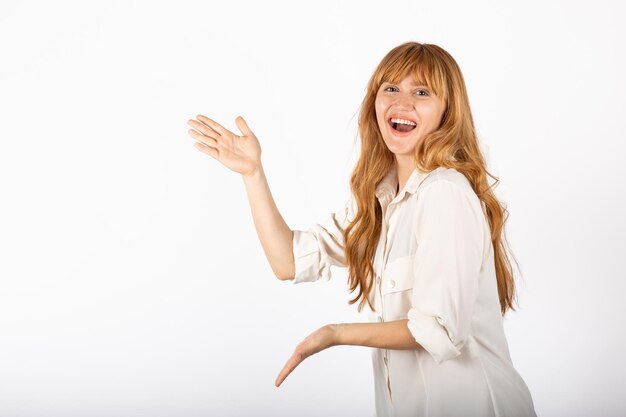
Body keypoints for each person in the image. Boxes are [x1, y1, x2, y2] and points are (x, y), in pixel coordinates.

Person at [186, 41, 537, 417]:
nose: (402, 103)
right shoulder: (379, 199)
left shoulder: (444, 192)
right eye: (390, 88)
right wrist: (253, 173)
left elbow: (438, 330)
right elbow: (288, 260)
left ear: (447, 113)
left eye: (421, 92)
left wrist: (336, 334)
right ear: (375, 102)